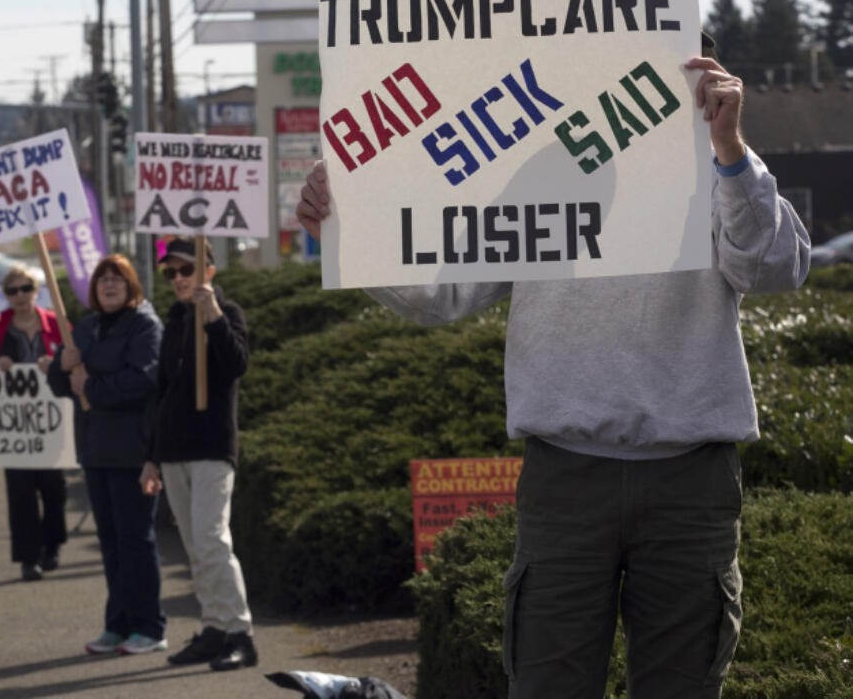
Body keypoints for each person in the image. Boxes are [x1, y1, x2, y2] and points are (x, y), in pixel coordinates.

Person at [296, 51, 810, 698]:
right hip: (566, 479)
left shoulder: (719, 166)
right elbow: (440, 292)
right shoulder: (537, 170)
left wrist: (731, 150)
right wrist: (345, 222)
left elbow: (776, 269)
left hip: (692, 483)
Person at [139, 238, 258, 672]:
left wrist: (212, 317)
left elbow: (236, 363)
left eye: (184, 270)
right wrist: (152, 456)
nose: (176, 280)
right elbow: (163, 391)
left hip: (211, 446)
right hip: (173, 450)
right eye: (170, 273)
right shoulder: (173, 319)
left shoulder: (228, 313)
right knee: (194, 546)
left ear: (208, 270)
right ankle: (213, 628)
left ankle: (240, 632)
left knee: (212, 539)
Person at [46, 255, 167, 656]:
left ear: (132, 285)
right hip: (96, 450)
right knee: (111, 543)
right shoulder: (87, 327)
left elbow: (143, 379)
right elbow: (65, 385)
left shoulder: (146, 325)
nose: (110, 286)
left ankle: (149, 627)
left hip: (134, 450)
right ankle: (117, 625)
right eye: (103, 281)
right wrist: (61, 371)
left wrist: (89, 387)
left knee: (136, 541)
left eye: (118, 279)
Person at [0, 264, 68, 582]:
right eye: (12, 290)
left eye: (25, 288)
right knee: (21, 494)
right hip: (13, 425)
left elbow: (76, 360)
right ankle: (29, 559)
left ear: (36, 290)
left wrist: (55, 364)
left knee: (54, 488)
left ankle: (52, 545)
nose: (20, 296)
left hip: (51, 423)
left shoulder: (55, 324)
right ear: (5, 296)